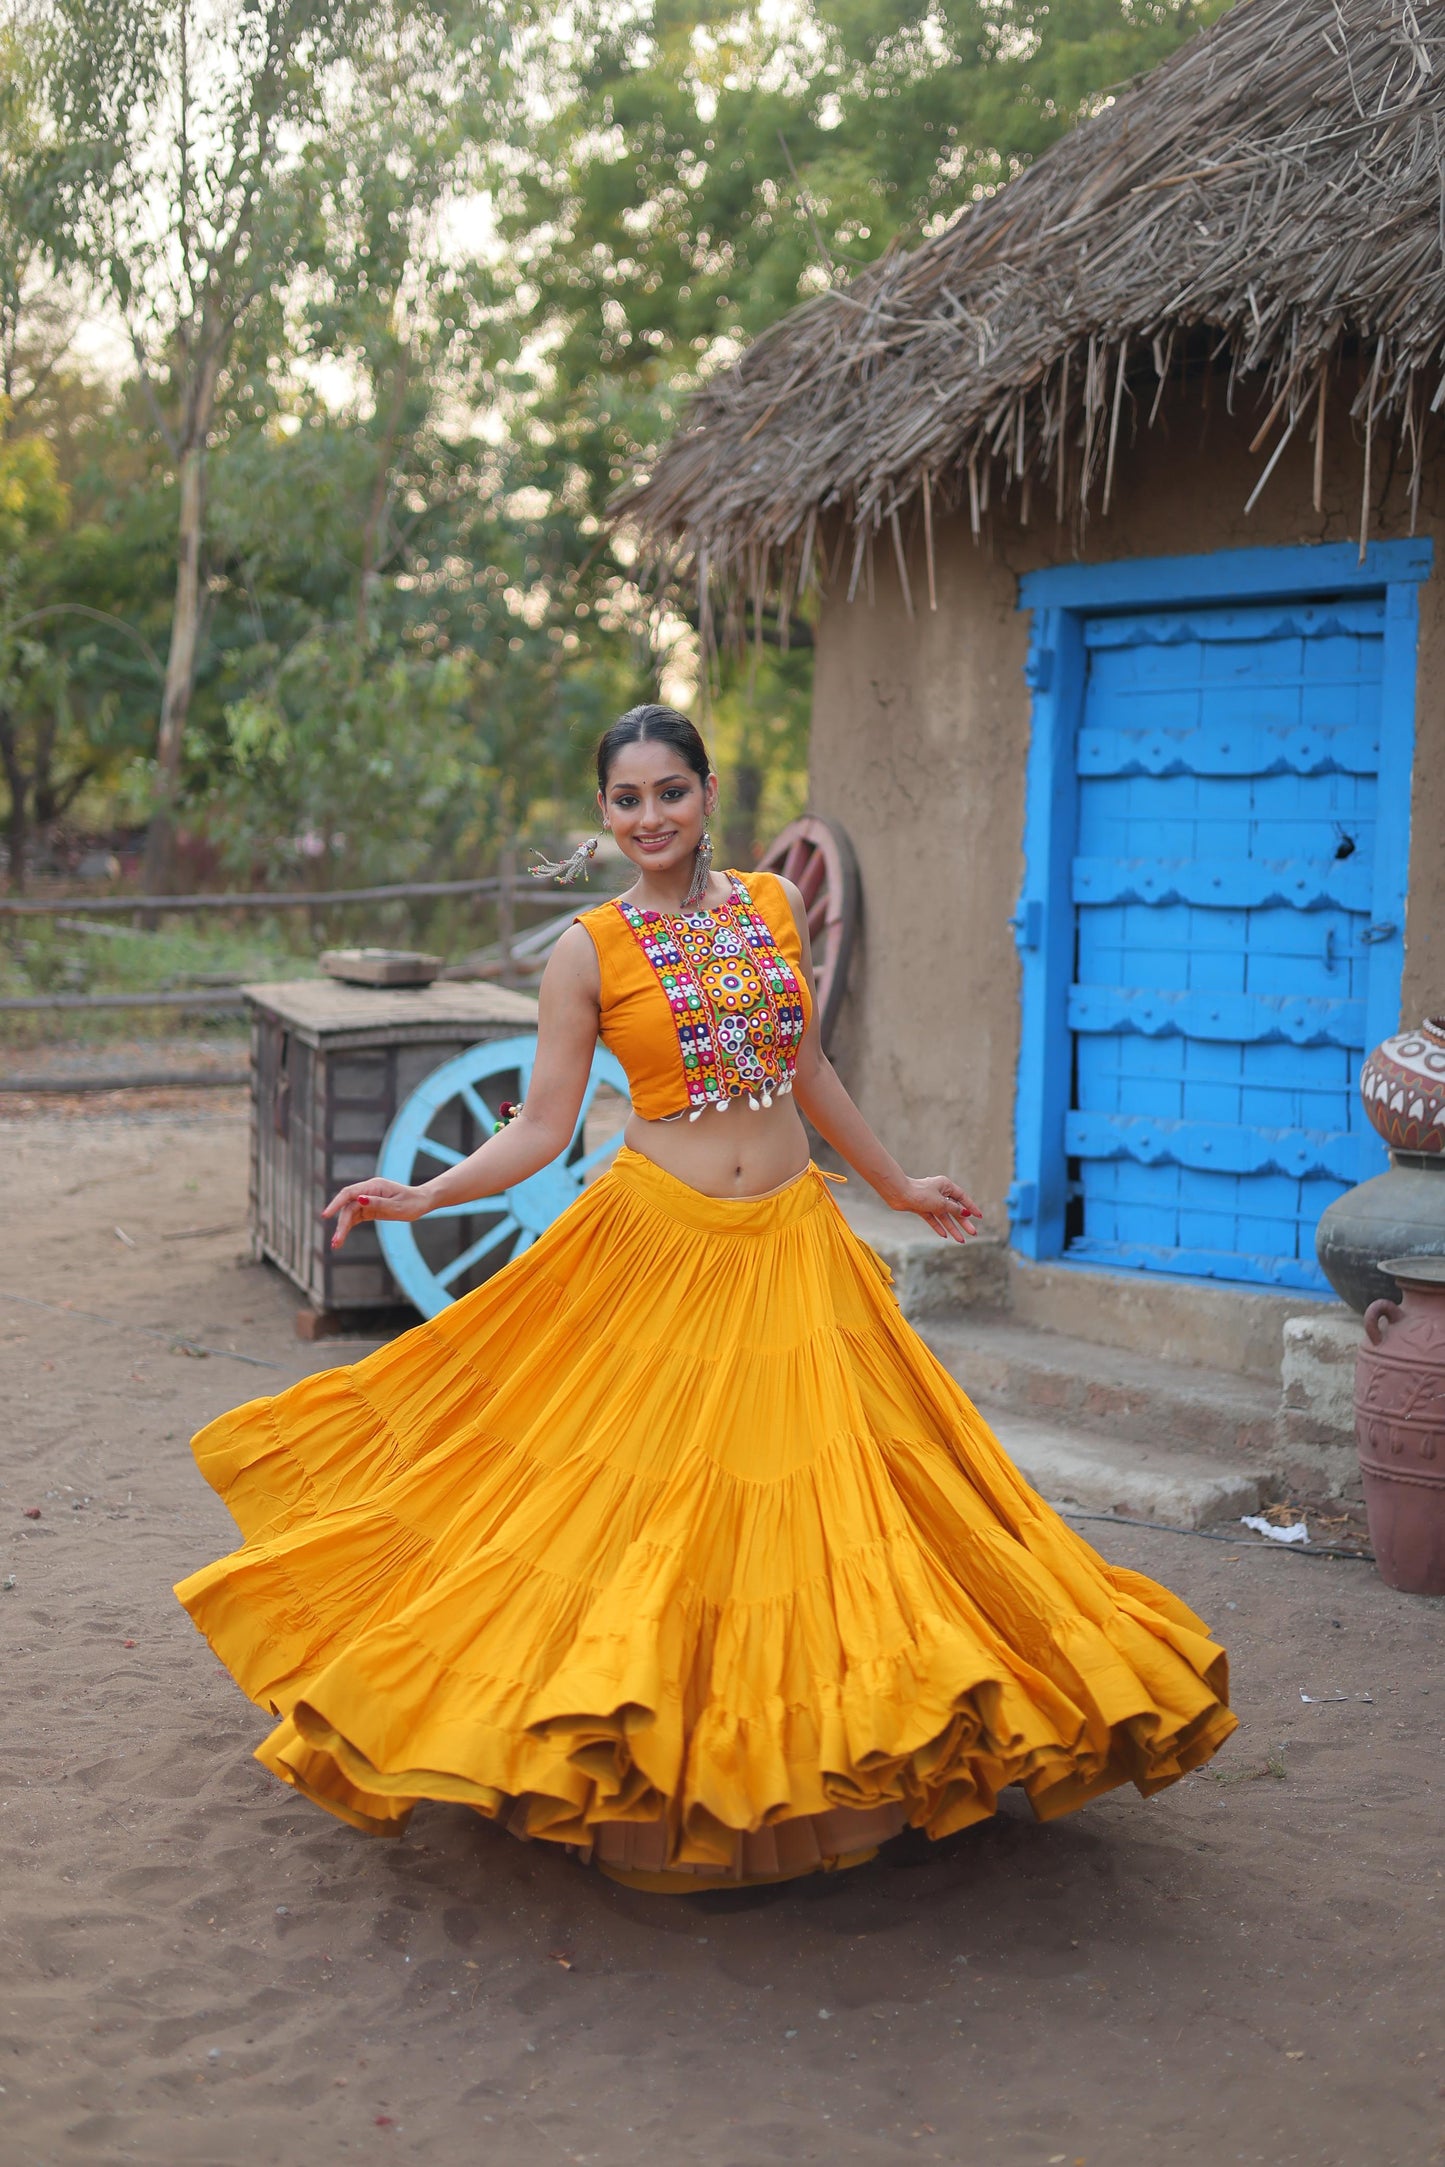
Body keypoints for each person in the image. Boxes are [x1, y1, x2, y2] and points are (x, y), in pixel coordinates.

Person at [175, 704, 1234, 1892]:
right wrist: (423, 1197)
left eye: (668, 793)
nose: (648, 819)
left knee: (823, 1509)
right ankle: (649, 1780)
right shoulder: (587, 949)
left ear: (707, 791)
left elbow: (809, 1071)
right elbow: (541, 1124)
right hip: (659, 1249)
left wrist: (892, 1181)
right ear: (602, 813)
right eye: (625, 800)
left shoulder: (770, 909)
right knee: (651, 1521)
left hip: (790, 1243)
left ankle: (838, 1767)